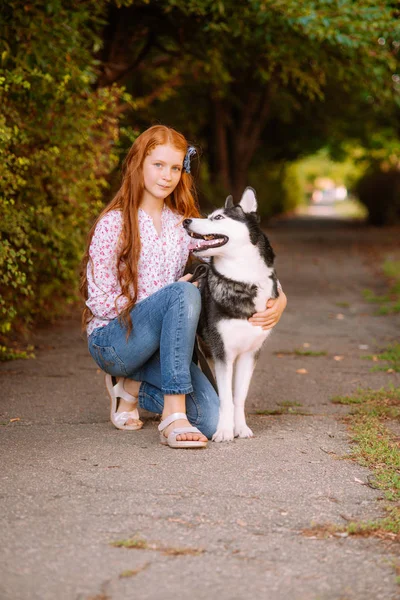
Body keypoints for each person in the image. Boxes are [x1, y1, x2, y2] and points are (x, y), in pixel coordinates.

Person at [80, 125, 287, 449]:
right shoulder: (114, 223)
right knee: (183, 292)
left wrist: (279, 295)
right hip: (116, 341)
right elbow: (100, 301)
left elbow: (238, 254)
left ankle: (129, 388)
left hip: (166, 346)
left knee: (209, 419)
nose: (167, 175)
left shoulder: (184, 225)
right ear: (138, 164)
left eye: (175, 167)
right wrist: (164, 298)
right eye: (158, 165)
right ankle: (172, 415)